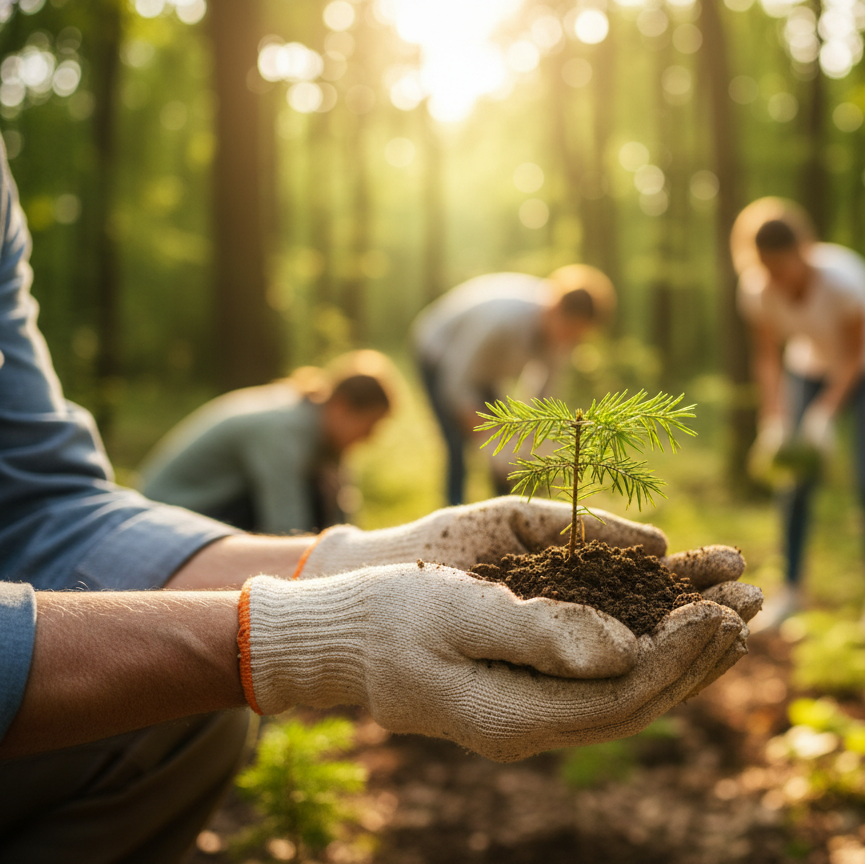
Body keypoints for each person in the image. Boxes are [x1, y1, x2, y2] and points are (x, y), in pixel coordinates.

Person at [0, 143, 761, 862]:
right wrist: (291, 633)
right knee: (474, 454)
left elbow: (44, 497)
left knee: (196, 726)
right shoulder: (488, 323)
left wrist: (347, 559)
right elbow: (470, 396)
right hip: (445, 360)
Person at [733, 198, 865, 642]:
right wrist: (773, 419)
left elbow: (853, 357)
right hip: (809, 367)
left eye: (783, 266)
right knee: (794, 481)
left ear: (804, 250)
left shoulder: (845, 279)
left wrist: (826, 412)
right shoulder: (755, 289)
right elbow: (768, 359)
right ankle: (790, 589)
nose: (777, 277)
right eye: (767, 268)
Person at [413, 266, 615, 506]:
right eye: (570, 331)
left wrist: (532, 449)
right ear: (556, 309)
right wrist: (487, 437)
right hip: (440, 355)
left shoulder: (561, 337)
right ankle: (452, 513)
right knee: (457, 442)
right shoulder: (503, 320)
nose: (571, 341)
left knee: (506, 441)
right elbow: (457, 384)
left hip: (485, 371)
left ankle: (507, 511)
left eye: (578, 335)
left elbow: (544, 398)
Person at [138, 351, 397, 534]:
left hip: (210, 510)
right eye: (370, 426)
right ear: (341, 406)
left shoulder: (320, 432)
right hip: (164, 518)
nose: (370, 439)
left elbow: (341, 520)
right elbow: (286, 528)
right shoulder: (282, 431)